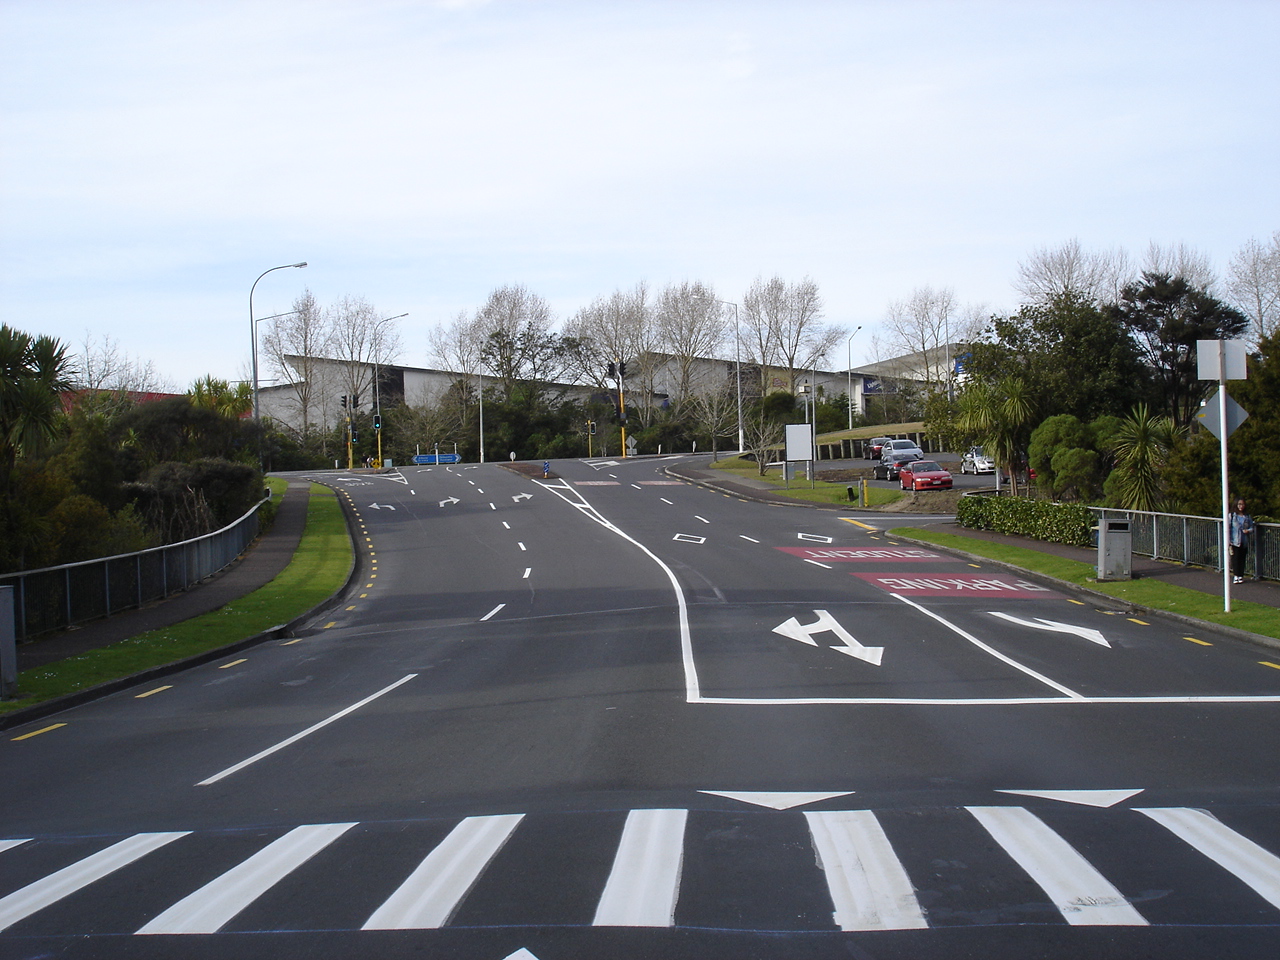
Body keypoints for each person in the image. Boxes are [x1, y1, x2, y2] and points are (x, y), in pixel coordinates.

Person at [1230, 498, 1255, 584]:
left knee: (1242, 558)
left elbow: (1252, 527)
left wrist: (1248, 531)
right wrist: (1229, 540)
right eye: (1239, 504)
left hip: (1244, 541)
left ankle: (1241, 575)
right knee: (1235, 558)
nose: (1241, 506)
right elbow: (1228, 528)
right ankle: (1236, 575)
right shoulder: (1232, 515)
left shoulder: (1247, 516)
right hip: (1235, 541)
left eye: (1242, 504)